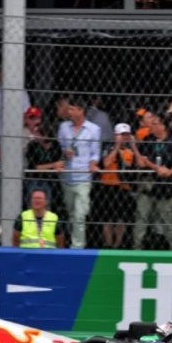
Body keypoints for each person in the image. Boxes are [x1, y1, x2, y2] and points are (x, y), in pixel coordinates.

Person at [132, 112, 172, 249]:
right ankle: (137, 246)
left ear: (163, 126)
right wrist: (156, 168)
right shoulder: (147, 140)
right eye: (151, 123)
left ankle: (171, 246)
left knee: (167, 218)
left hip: (166, 187)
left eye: (155, 124)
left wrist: (169, 171)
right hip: (148, 185)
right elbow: (142, 162)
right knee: (142, 216)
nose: (152, 127)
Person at [57, 97, 101, 249]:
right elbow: (59, 148)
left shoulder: (94, 129)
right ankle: (73, 241)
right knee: (71, 214)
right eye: (68, 108)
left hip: (83, 177)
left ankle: (78, 247)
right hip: (67, 176)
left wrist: (93, 164)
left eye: (72, 109)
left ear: (81, 110)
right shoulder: (63, 127)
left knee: (80, 215)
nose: (68, 111)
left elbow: (95, 153)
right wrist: (64, 154)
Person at [99, 123, 136, 248]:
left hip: (123, 186)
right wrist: (116, 147)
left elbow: (130, 166)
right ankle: (108, 243)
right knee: (107, 218)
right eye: (122, 135)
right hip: (108, 185)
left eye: (126, 135)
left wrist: (130, 147)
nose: (124, 137)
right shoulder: (108, 147)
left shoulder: (130, 150)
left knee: (121, 219)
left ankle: (118, 244)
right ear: (116, 135)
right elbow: (106, 163)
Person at [23, 112, 63, 210]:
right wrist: (53, 165)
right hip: (35, 180)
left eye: (37, 133)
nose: (35, 135)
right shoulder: (32, 146)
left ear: (44, 135)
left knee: (50, 203)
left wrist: (54, 166)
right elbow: (36, 167)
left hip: (51, 180)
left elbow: (61, 163)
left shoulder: (55, 145)